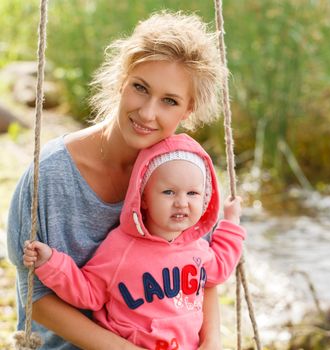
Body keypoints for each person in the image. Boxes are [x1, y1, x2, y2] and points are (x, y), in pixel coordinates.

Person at [7, 10, 228, 350]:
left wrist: (211, 342)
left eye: (169, 101)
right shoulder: (50, 178)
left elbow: (202, 266)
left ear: (188, 110)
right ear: (122, 80)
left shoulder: (188, 173)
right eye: (140, 88)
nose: (147, 113)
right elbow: (37, 297)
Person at [23, 133, 245, 349]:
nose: (182, 203)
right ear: (144, 198)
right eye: (169, 192)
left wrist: (232, 221)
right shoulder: (121, 247)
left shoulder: (197, 247)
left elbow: (221, 267)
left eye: (193, 193)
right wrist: (50, 262)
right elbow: (89, 292)